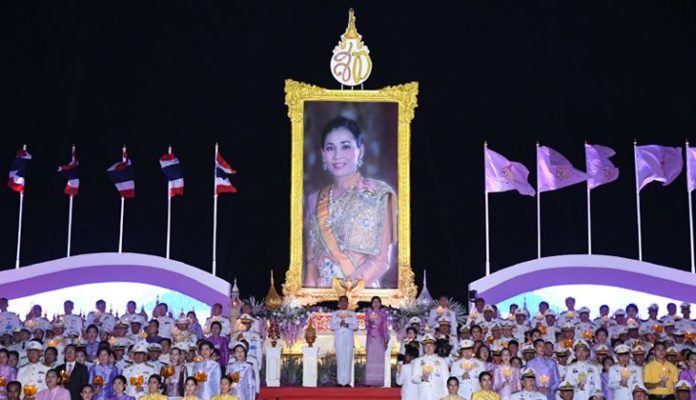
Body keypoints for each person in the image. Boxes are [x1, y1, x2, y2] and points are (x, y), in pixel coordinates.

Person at [304, 116, 397, 289]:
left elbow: (380, 261)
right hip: (321, 296)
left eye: (345, 146)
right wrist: (310, 298)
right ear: (323, 154)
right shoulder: (314, 199)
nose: (337, 155)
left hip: (362, 295)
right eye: (330, 148)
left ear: (360, 151)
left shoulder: (378, 194)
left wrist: (340, 292)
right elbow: (311, 262)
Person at [329, 296, 358, 387]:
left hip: (349, 340)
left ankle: (347, 382)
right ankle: (340, 381)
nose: (343, 303)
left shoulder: (352, 314)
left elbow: (356, 326)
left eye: (345, 301)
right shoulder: (335, 314)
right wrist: (339, 324)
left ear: (348, 303)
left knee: (348, 360)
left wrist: (348, 326)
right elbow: (332, 326)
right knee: (340, 360)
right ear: (339, 303)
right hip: (339, 340)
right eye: (341, 301)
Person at [411, 333, 449, 400]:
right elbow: (413, 378)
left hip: (438, 396)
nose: (428, 348)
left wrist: (446, 397)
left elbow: (446, 380)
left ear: (435, 347)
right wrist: (422, 378)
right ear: (423, 348)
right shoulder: (417, 361)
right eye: (426, 346)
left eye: (430, 345)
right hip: (423, 396)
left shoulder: (442, 361)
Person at [364, 296, 389, 386]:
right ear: (371, 304)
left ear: (380, 303)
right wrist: (372, 325)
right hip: (371, 339)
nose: (376, 303)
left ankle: (378, 381)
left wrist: (386, 340)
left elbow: (385, 328)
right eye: (374, 302)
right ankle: (370, 381)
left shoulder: (383, 315)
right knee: (371, 359)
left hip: (380, 339)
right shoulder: (368, 314)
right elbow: (366, 326)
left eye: (378, 302)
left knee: (379, 359)